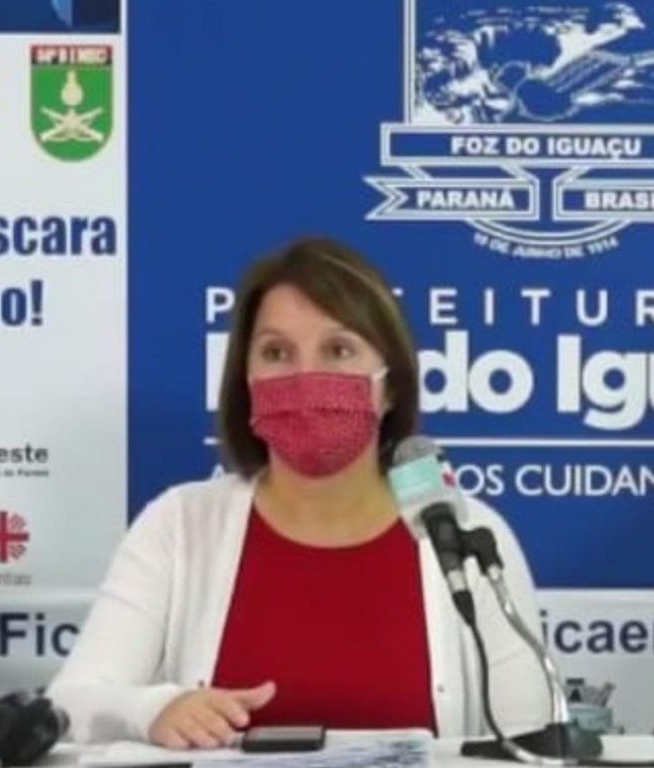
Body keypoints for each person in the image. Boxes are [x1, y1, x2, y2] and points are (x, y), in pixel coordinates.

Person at [47, 236, 548, 746]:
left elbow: (534, 742)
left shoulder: (463, 533)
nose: (307, 375)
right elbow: (68, 705)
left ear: (391, 384)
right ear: (246, 381)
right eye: (277, 352)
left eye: (338, 350)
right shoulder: (180, 525)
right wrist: (154, 710)